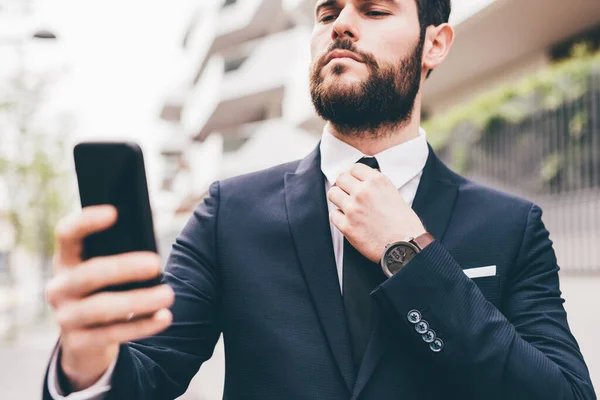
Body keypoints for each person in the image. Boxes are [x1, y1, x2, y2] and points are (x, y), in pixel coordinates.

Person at [43, 0, 596, 399]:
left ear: (435, 42)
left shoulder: (512, 225)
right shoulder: (227, 213)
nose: (342, 25)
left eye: (374, 10)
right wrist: (87, 358)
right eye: (327, 13)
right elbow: (146, 376)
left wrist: (411, 254)